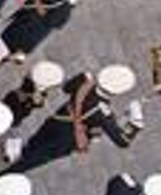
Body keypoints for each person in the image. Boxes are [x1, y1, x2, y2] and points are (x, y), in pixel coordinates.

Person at [8, 63, 142, 174]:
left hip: (59, 117)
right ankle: (8, 174)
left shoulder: (85, 79)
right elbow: (123, 141)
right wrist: (136, 121)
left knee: (38, 140)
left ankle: (20, 152)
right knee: (39, 156)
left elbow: (66, 89)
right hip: (67, 137)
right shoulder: (102, 112)